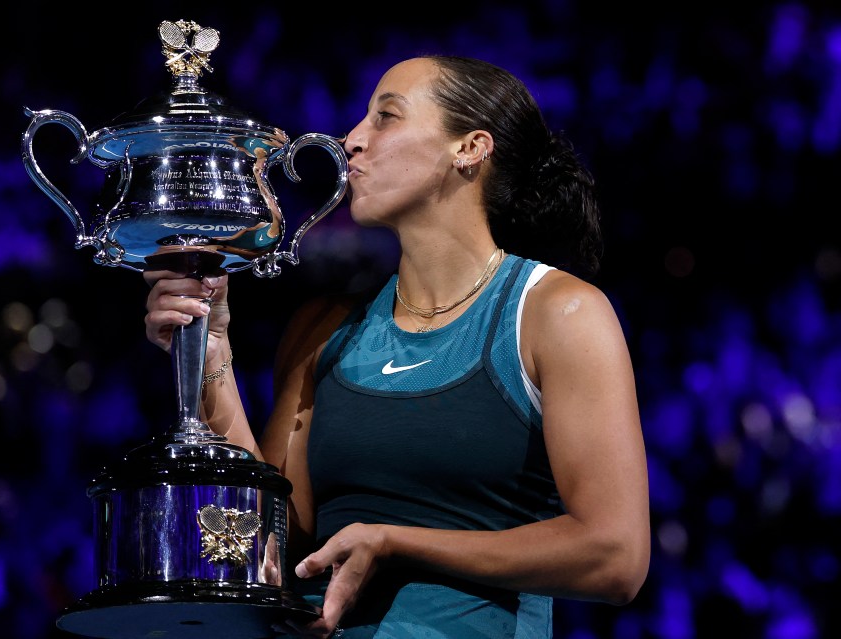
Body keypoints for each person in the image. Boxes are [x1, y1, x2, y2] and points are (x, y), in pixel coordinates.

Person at [143, 55, 650, 638]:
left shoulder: (556, 312)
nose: (351, 141)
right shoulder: (322, 329)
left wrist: (392, 543)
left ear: (469, 147)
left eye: (385, 117)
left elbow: (615, 556)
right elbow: (272, 542)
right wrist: (211, 353)